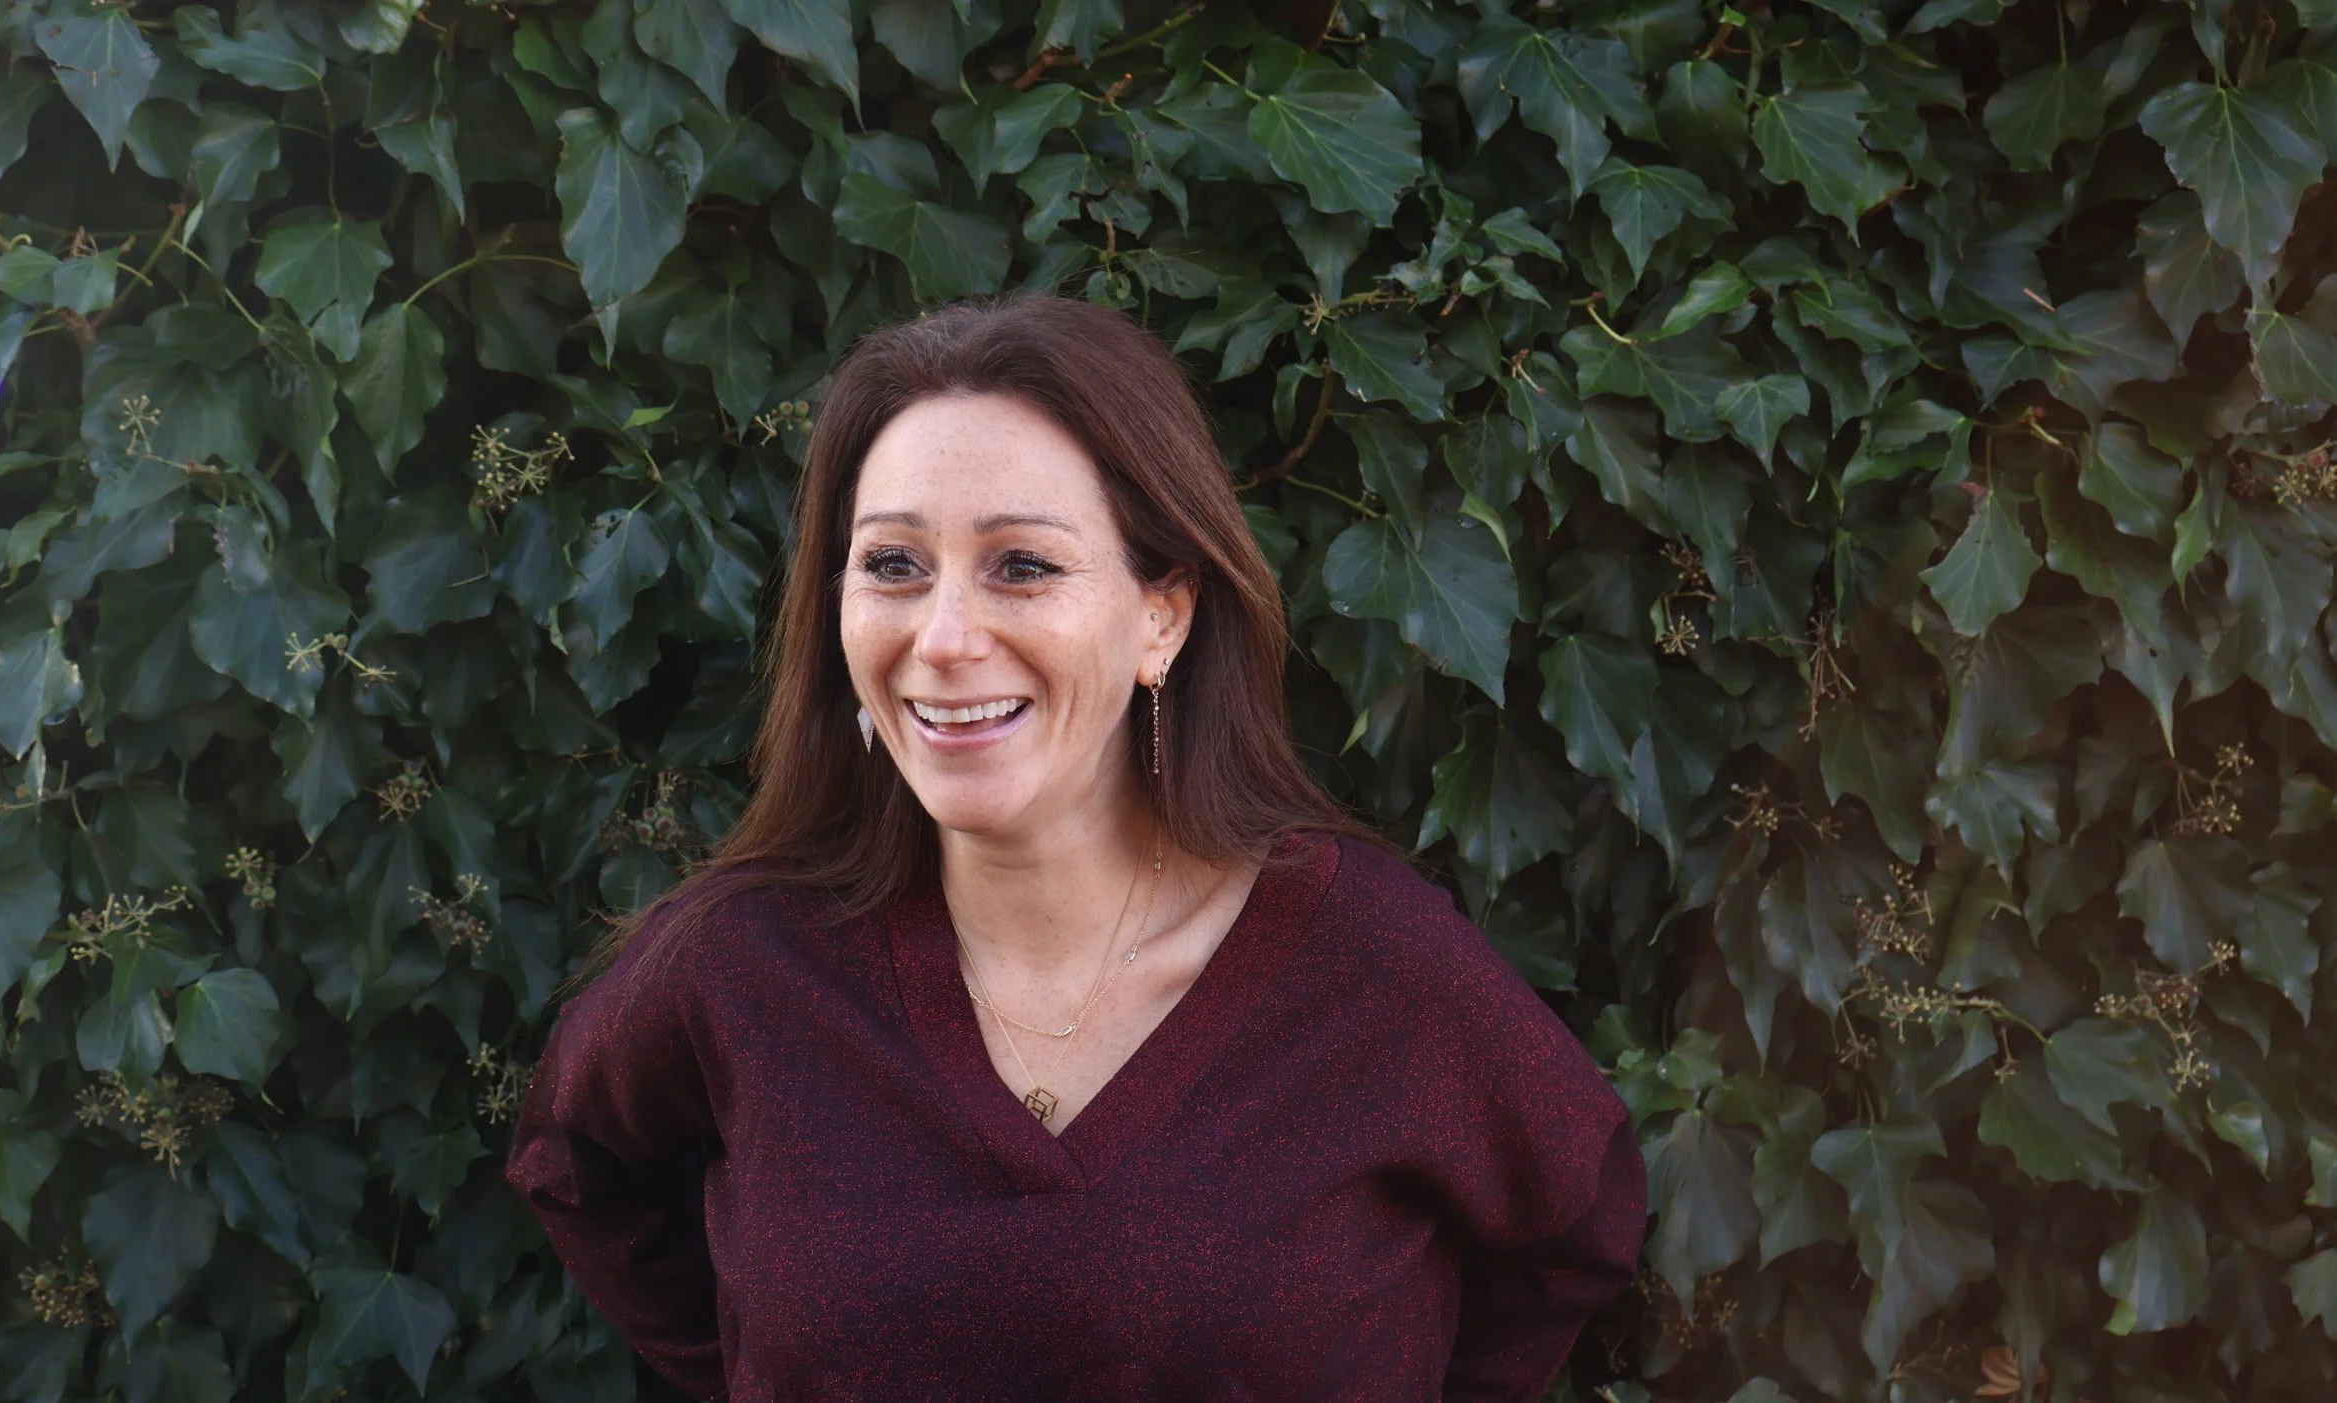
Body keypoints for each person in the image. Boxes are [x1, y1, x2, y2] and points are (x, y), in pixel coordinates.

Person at [504, 295, 1645, 1401]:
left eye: (1023, 565)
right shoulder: (741, 963)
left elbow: (1577, 1219)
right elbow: (578, 1163)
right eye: (894, 564)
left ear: (1163, 614)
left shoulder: (1372, 968)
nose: (943, 638)